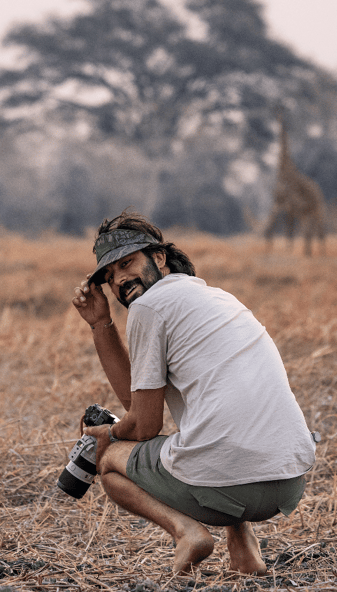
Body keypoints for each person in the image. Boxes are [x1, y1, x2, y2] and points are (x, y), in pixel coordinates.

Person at [72, 209, 316, 576]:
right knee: (206, 440)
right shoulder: (216, 298)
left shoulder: (148, 308)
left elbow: (144, 427)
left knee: (109, 464)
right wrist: (100, 324)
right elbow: (137, 406)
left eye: (127, 263)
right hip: (288, 479)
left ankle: (187, 533)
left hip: (235, 484)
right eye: (109, 276)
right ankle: (245, 552)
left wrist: (108, 435)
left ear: (158, 258)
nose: (120, 279)